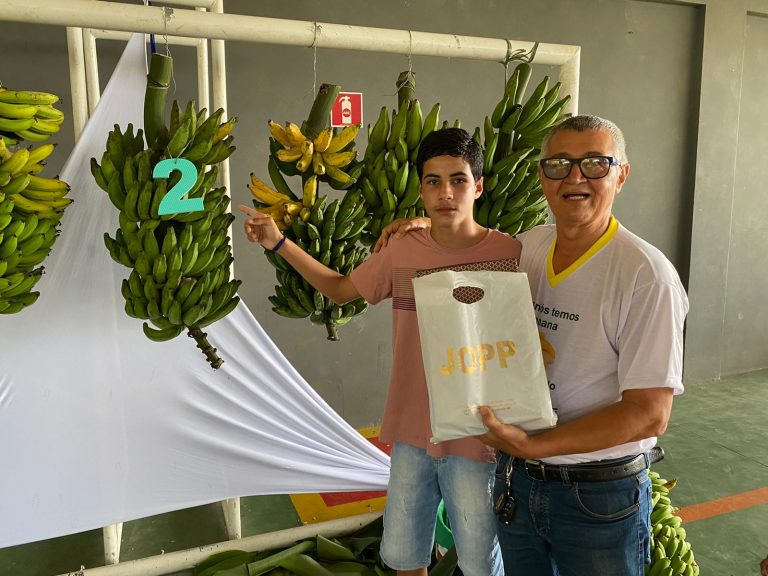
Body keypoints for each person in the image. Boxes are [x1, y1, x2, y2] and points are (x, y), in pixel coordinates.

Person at [377, 115, 690, 576]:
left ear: (621, 174)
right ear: (543, 177)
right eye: (559, 164)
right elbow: (465, 246)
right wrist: (430, 222)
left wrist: (534, 445)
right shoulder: (527, 250)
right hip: (518, 484)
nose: (575, 177)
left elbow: (649, 413)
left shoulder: (645, 275)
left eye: (595, 163)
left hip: (595, 496)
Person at [239, 128, 520, 576]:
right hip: (412, 430)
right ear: (421, 189)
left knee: (481, 564)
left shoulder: (511, 254)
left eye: (459, 180)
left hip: (478, 436)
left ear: (479, 186)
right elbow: (339, 289)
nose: (446, 193)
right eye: (433, 181)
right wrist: (278, 242)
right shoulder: (403, 250)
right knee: (406, 556)